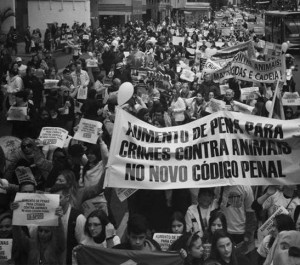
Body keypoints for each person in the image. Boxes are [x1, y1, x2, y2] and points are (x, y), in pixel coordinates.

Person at [50, 183, 86, 265]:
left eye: (59, 198)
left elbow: (83, 245)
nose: (55, 201)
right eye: (53, 198)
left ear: (67, 197)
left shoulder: (78, 218)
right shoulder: (46, 215)